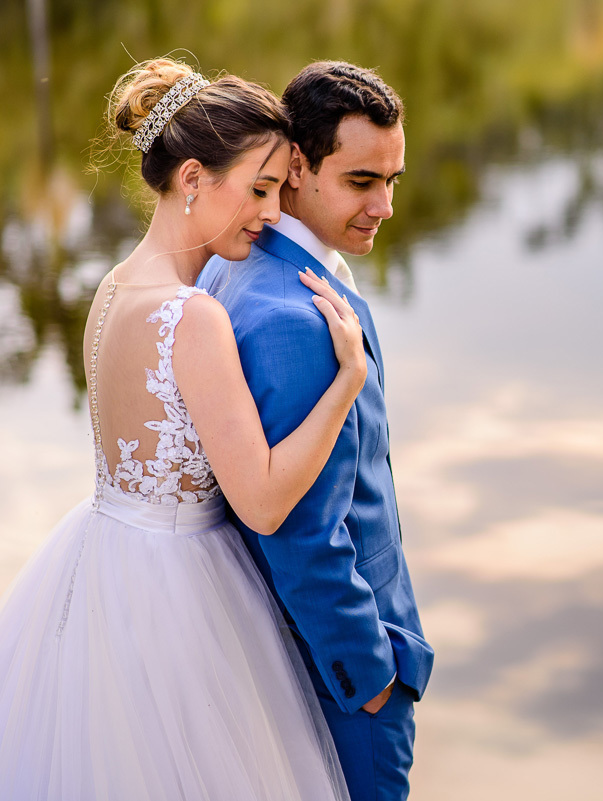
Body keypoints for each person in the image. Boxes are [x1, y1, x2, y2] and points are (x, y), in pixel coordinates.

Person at [0, 58, 363, 800]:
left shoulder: (111, 290)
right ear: (194, 179)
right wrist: (346, 383)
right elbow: (262, 502)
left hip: (100, 563)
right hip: (180, 592)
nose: (269, 212)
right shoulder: (194, 316)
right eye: (258, 189)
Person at [197, 61, 434, 801]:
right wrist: (366, 677)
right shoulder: (289, 318)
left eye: (393, 180)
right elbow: (303, 530)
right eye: (363, 181)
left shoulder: (243, 265)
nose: (385, 204)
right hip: (347, 681)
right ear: (298, 166)